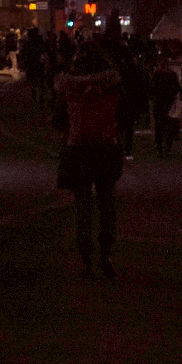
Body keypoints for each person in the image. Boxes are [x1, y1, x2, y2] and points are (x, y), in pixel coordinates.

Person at [54, 43, 124, 279]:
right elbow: (124, 116)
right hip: (105, 148)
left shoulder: (68, 89)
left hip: (78, 150)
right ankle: (106, 255)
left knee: (83, 207)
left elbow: (57, 120)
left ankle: (86, 259)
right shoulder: (111, 87)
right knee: (107, 204)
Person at [149, 53, 182, 157]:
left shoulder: (157, 75)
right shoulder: (172, 75)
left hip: (159, 103)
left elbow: (151, 90)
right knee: (168, 125)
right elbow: (177, 88)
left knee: (159, 126)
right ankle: (167, 147)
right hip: (169, 103)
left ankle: (160, 147)